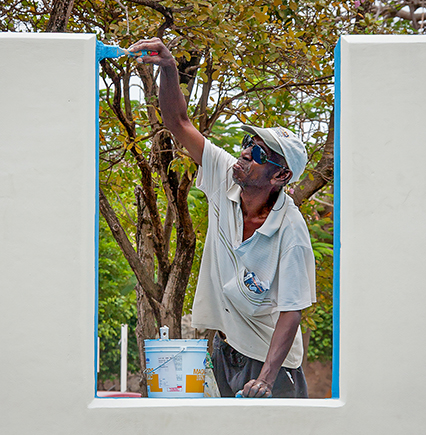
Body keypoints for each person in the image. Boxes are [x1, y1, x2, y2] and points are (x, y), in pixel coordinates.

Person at [130, 38, 317, 398]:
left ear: (280, 176)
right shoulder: (224, 175)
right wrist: (168, 68)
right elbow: (179, 121)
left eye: (259, 153)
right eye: (247, 143)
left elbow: (291, 312)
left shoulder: (290, 233)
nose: (245, 153)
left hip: (271, 366)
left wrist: (265, 378)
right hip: (225, 351)